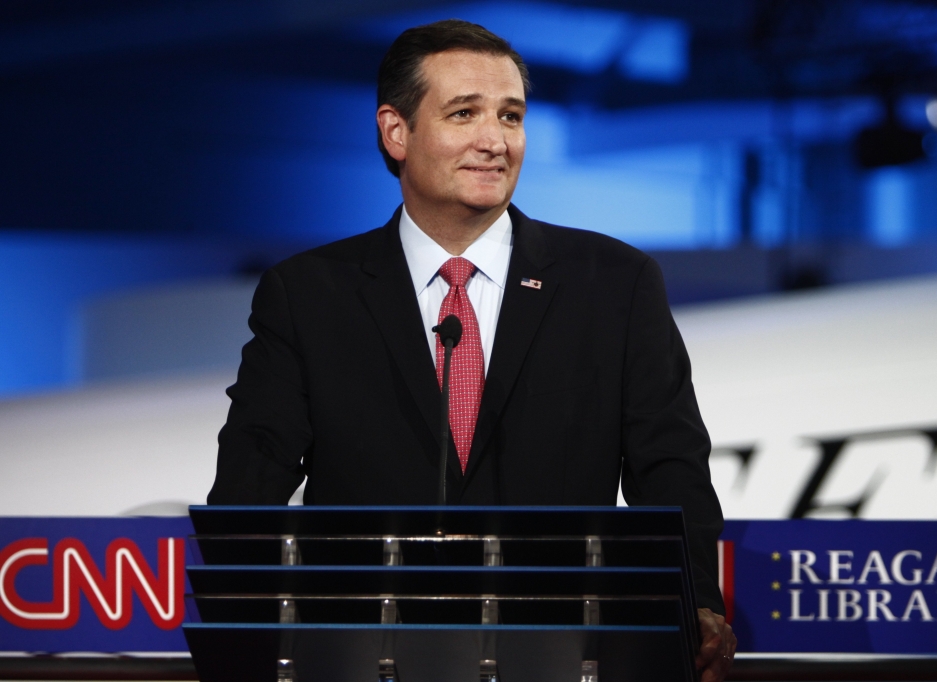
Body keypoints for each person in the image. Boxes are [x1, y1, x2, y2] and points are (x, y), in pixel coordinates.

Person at [208, 19, 736, 681]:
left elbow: (673, 467)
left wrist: (697, 610)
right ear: (396, 132)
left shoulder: (615, 282)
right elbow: (251, 479)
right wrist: (235, 626)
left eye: (510, 116)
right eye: (464, 114)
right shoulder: (308, 293)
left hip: (562, 656)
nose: (494, 141)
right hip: (362, 658)